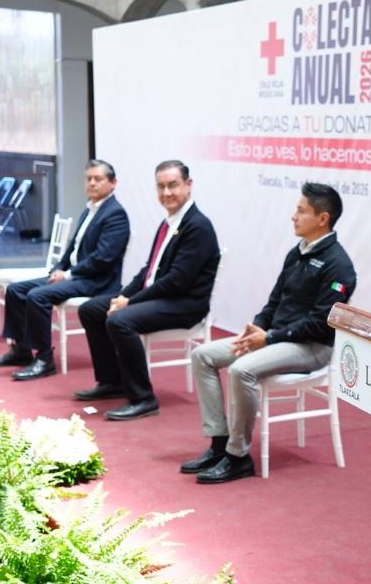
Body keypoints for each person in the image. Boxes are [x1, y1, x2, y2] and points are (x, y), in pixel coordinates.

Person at [181, 183, 356, 483]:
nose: (293, 216)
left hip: (312, 347)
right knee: (203, 355)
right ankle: (219, 443)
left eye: (301, 211)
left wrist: (270, 338)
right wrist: (260, 325)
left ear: (322, 218)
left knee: (241, 370)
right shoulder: (297, 252)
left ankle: (237, 457)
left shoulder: (338, 265)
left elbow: (319, 323)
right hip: (278, 337)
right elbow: (275, 300)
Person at [74, 160, 219, 421]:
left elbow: (176, 282)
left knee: (120, 321)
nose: (166, 193)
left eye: (173, 185)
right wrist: (123, 295)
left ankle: (143, 397)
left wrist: (129, 303)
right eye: (161, 187)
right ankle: (112, 381)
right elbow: (149, 271)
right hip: (163, 297)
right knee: (91, 309)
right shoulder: (170, 222)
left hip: (185, 304)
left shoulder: (197, 226)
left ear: (189, 185)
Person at [0, 160, 130, 380]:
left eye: (98, 179)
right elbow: (73, 248)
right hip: (75, 276)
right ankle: (21, 350)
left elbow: (103, 259)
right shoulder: (90, 209)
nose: (92, 183)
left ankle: (44, 359)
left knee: (37, 296)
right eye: (88, 178)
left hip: (96, 281)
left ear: (113, 183)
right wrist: (58, 268)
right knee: (15, 290)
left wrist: (68, 274)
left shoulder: (115, 214)